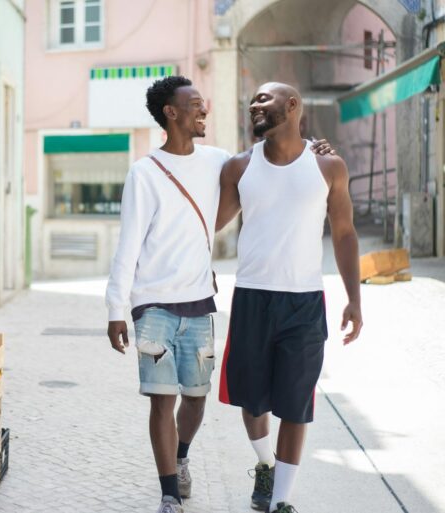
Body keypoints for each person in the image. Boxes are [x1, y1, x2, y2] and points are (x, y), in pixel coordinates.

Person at [105, 76, 333, 513]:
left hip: (198, 302)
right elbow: (128, 245)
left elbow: (272, 159)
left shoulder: (219, 162)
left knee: (195, 398)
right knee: (161, 398)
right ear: (171, 113)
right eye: (195, 104)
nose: (204, 109)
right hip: (151, 303)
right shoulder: (143, 172)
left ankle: (183, 457)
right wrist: (117, 307)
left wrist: (314, 148)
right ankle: (170, 493)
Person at [216, 82, 363, 513]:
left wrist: (355, 299)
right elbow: (209, 223)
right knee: (252, 400)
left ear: (293, 105)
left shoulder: (329, 167)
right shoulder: (239, 168)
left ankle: (282, 501)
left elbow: (344, 233)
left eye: (264, 98)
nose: (254, 105)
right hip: (252, 299)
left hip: (303, 302)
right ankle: (265, 465)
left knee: (296, 404)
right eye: (252, 101)